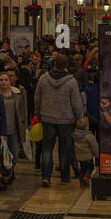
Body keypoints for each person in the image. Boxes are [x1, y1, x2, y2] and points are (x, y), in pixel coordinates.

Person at [34, 56, 82, 186]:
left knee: (47, 148)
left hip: (47, 118)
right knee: (65, 148)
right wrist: (79, 117)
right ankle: (65, 177)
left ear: (54, 64)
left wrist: (38, 113)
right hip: (66, 120)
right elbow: (76, 102)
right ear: (66, 65)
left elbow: (37, 98)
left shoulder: (44, 79)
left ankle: (46, 177)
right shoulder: (71, 81)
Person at [0, 70, 28, 167]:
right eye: (1, 80)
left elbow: (23, 111)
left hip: (14, 130)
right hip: (1, 130)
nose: (4, 82)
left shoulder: (17, 93)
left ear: (10, 81)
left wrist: (24, 126)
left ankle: (10, 172)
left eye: (6, 80)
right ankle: (4, 176)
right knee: (2, 155)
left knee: (15, 154)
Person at [73, 115, 99, 188]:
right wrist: (97, 155)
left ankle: (82, 183)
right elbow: (94, 146)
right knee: (90, 168)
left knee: (82, 170)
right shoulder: (89, 136)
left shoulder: (75, 135)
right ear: (87, 127)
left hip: (79, 157)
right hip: (88, 157)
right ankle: (86, 178)